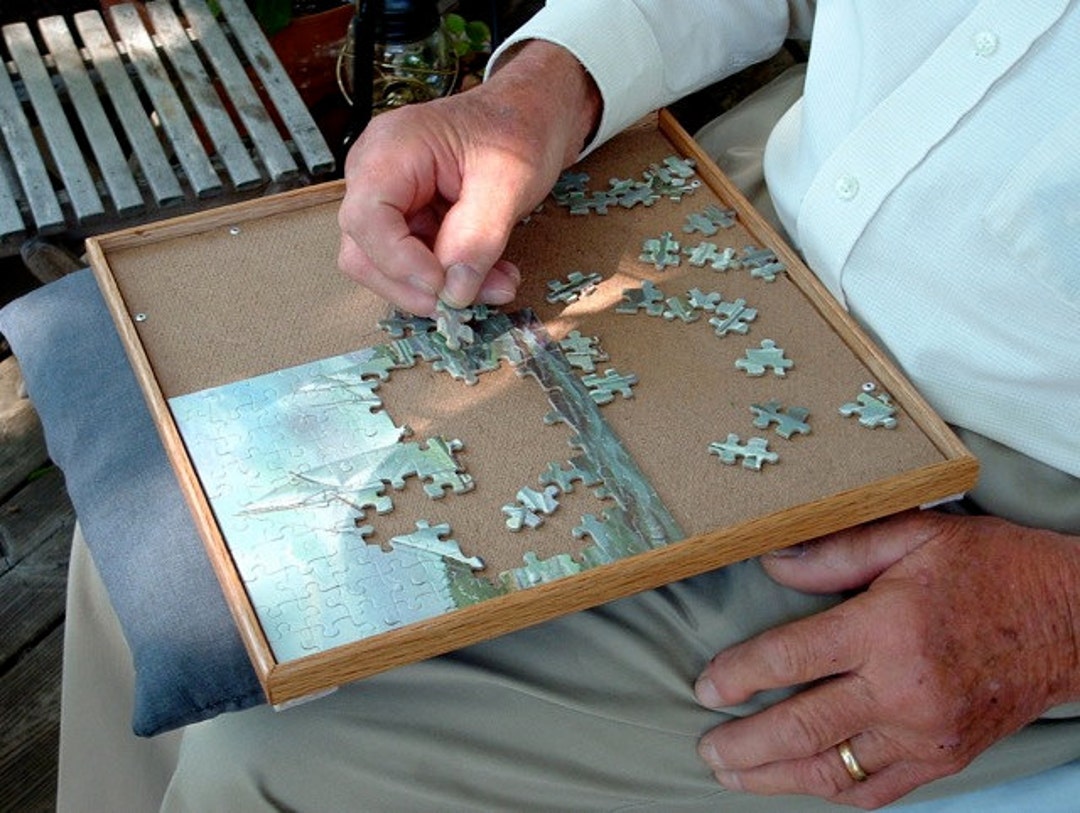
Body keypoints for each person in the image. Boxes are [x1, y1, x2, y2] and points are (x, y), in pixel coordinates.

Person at [154, 2, 1079, 810]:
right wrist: (538, 93)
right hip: (733, 222)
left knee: (261, 760)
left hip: (994, 502)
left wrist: (1059, 617)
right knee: (156, 543)